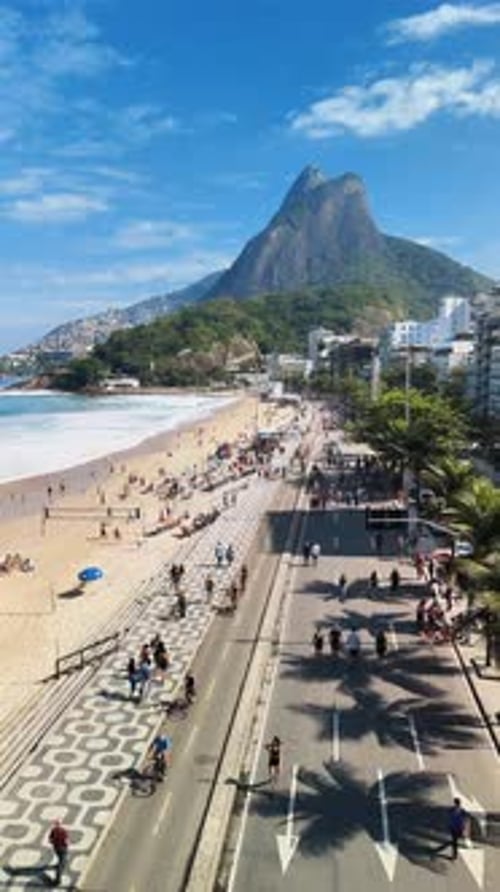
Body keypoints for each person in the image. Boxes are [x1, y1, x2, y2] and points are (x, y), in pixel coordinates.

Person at [48, 819, 69, 886]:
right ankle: (58, 880)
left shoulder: (53, 830)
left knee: (60, 858)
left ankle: (60, 866)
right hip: (62, 848)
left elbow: (50, 839)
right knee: (62, 862)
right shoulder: (63, 831)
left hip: (56, 848)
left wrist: (53, 842)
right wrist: (66, 845)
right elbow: (66, 841)